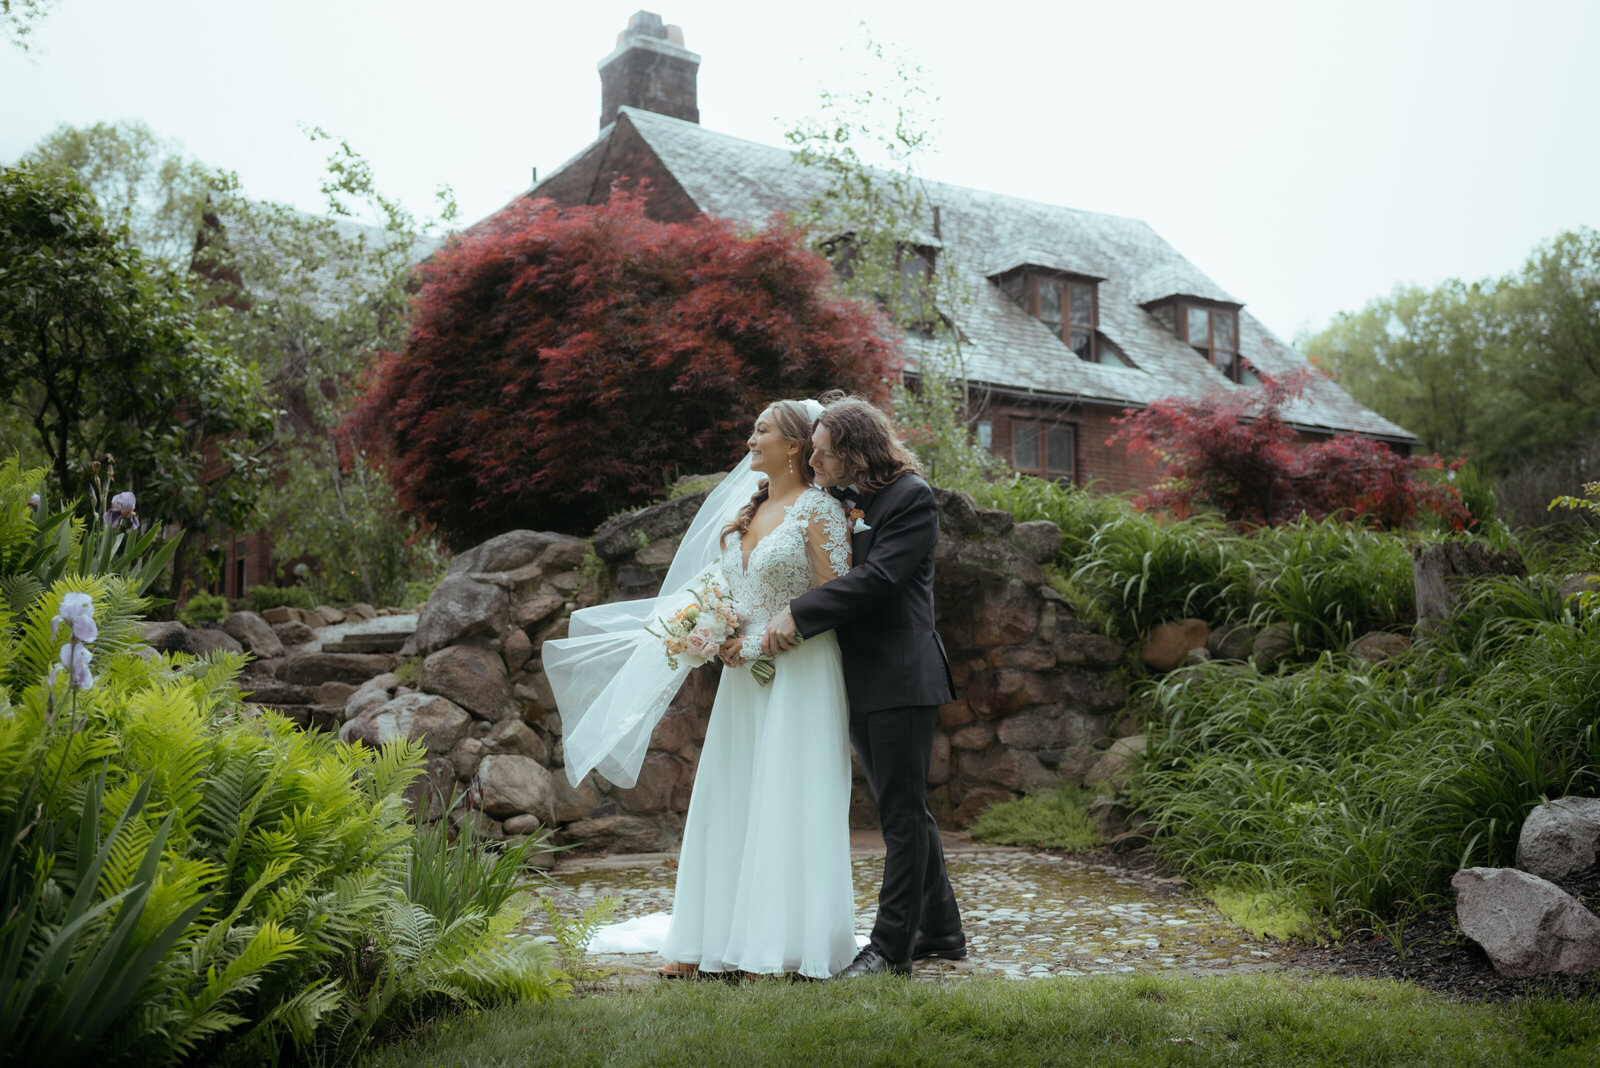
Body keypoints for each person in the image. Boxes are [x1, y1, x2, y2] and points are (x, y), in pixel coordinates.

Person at [543, 399, 858, 979]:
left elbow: (836, 597)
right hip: (742, 678)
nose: (749, 441)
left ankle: (780, 947)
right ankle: (707, 940)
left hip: (801, 671)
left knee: (788, 797)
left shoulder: (820, 510)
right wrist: (709, 629)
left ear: (794, 445)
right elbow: (723, 590)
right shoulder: (745, 510)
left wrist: (761, 640)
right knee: (729, 796)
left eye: (761, 431)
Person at [763, 394, 965, 978]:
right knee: (906, 809)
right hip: (859, 675)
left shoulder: (911, 497)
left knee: (901, 817)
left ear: (856, 451)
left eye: (823, 453)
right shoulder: (843, 499)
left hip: (901, 674)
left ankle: (889, 949)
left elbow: (878, 579)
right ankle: (940, 930)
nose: (814, 463)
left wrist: (799, 613)